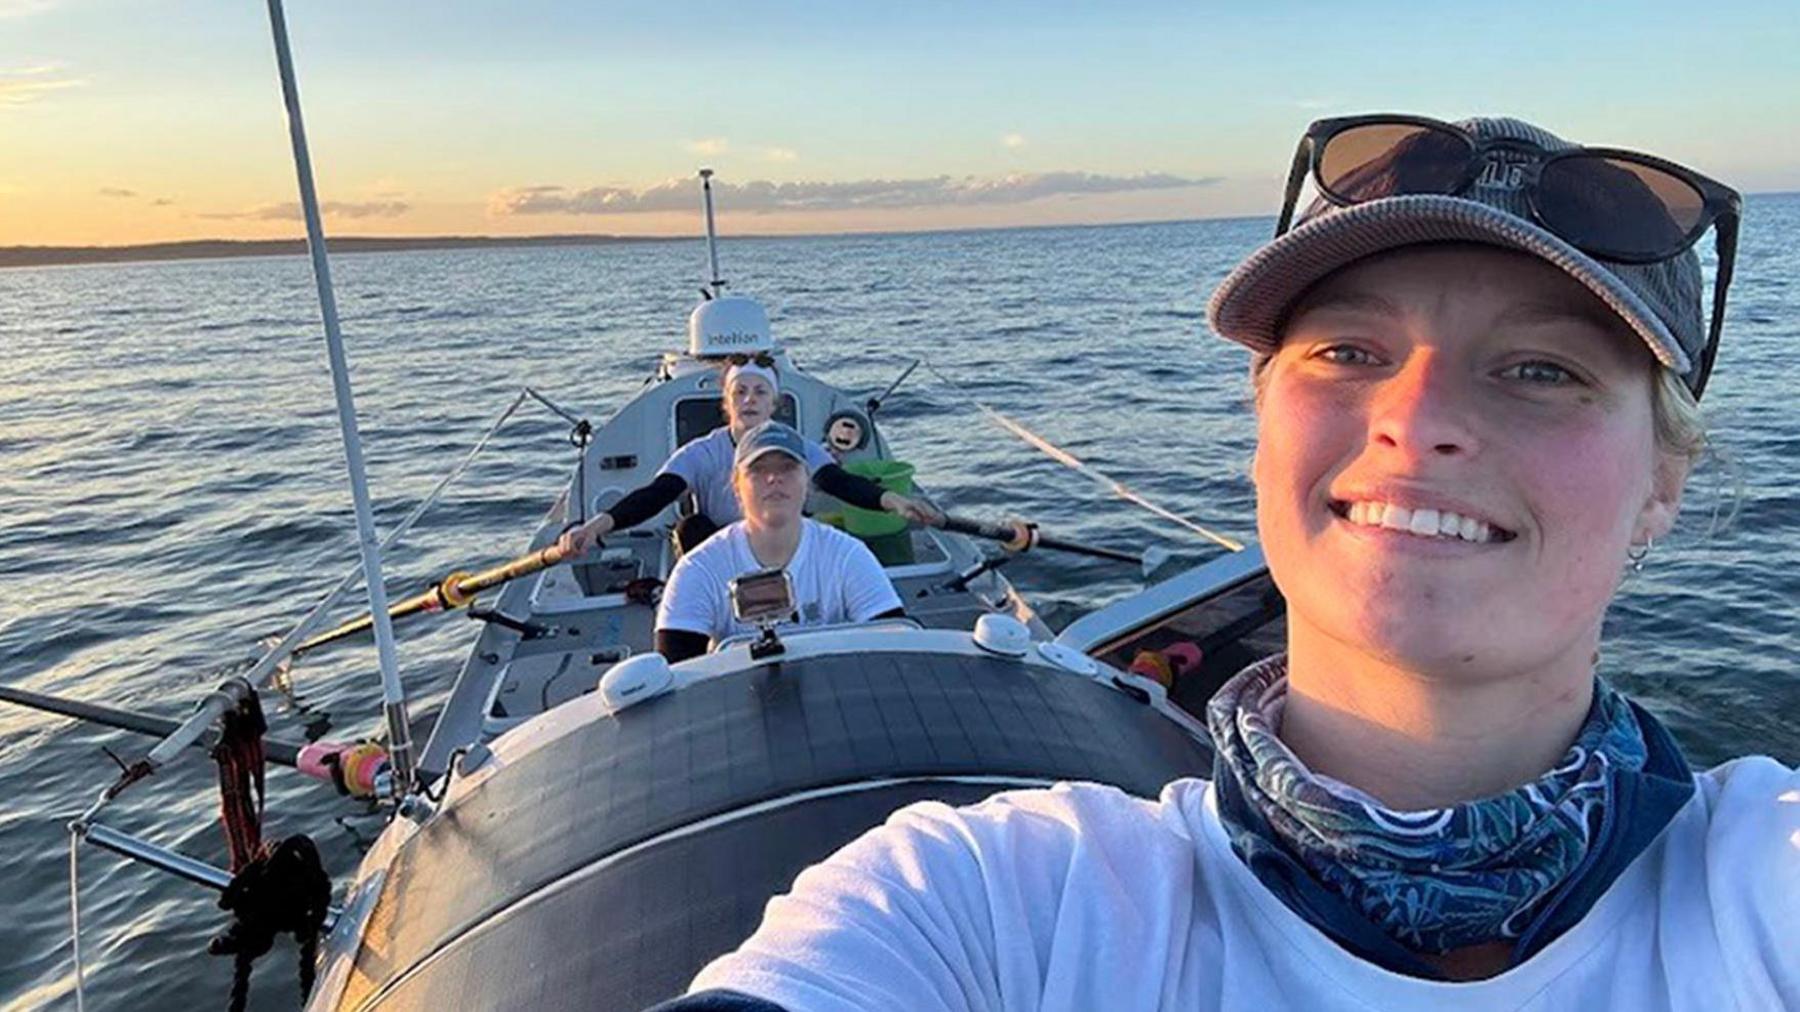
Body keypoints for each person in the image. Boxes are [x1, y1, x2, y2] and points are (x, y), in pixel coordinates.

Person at [660, 116, 1797, 1010]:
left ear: (1664, 483)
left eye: (1543, 369)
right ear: (1261, 434)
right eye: (1350, 349)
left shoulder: (1766, 890)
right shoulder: (994, 906)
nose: (1418, 418)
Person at [557, 355, 940, 558]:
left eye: (760, 392)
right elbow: (656, 493)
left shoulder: (797, 446)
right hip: (721, 550)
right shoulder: (701, 452)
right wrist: (596, 526)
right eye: (740, 392)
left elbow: (837, 482)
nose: (750, 400)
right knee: (689, 529)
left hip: (784, 539)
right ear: (726, 402)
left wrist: (894, 501)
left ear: (774, 401)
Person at [654, 420, 906, 663]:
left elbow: (898, 651)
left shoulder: (848, 556)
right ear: (736, 486)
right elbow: (676, 674)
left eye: (787, 467)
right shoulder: (698, 568)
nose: (774, 478)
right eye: (759, 469)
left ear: (807, 482)